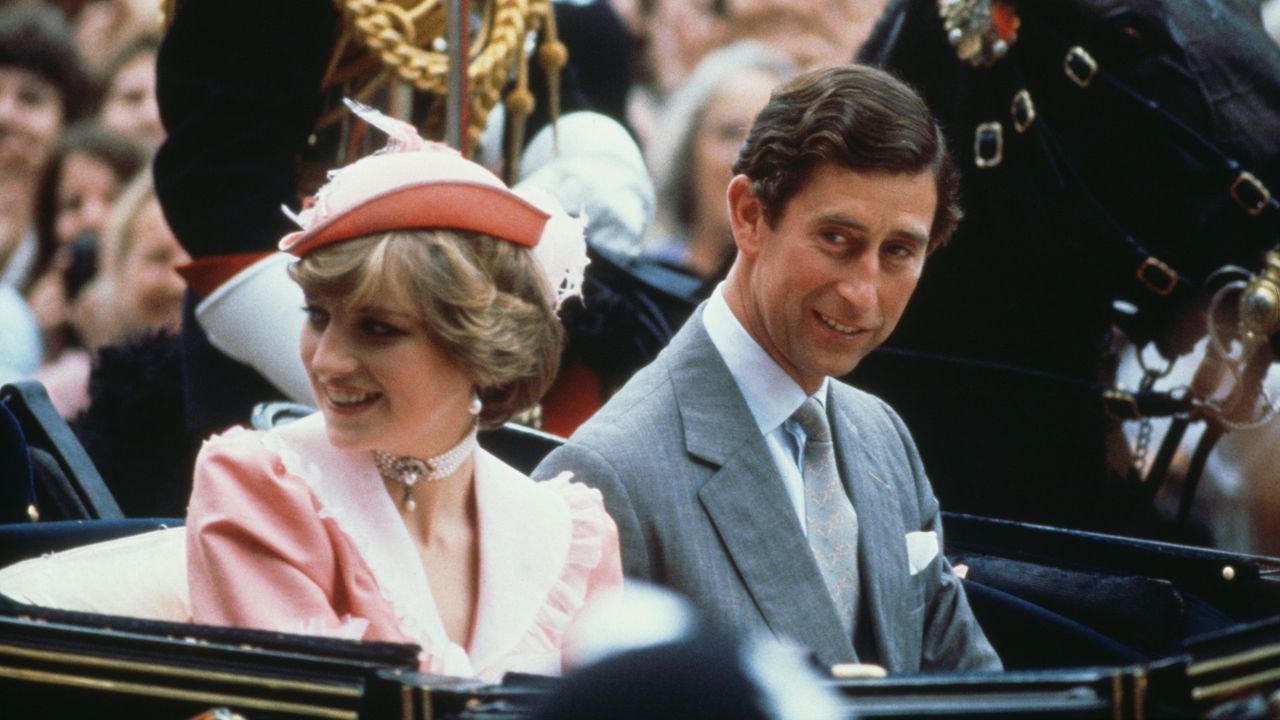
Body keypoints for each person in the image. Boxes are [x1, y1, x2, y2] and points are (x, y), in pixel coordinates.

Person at [534, 64, 1001, 673]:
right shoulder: (607, 474)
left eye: (899, 252)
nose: (863, 292)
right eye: (837, 239)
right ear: (750, 215)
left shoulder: (883, 438)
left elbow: (975, 690)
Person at [184, 127, 623, 681]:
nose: (327, 361)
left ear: (481, 346)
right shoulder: (260, 489)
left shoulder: (574, 538)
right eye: (318, 316)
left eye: (377, 328)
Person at [643, 40, 797, 280]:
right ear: (687, 153)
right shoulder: (637, 287)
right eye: (730, 133)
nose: (750, 156)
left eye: (771, 138)